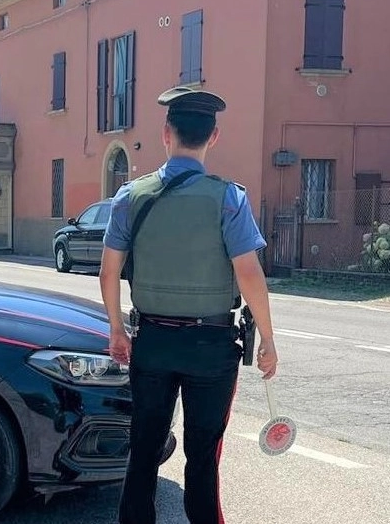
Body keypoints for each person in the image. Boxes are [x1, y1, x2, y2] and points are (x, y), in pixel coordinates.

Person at [98, 86, 279, 524]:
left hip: (153, 342)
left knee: (143, 451)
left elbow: (108, 272)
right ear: (213, 137)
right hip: (212, 349)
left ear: (166, 133)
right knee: (203, 459)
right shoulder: (228, 198)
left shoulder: (131, 196)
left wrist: (117, 331)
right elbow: (249, 273)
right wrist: (269, 340)